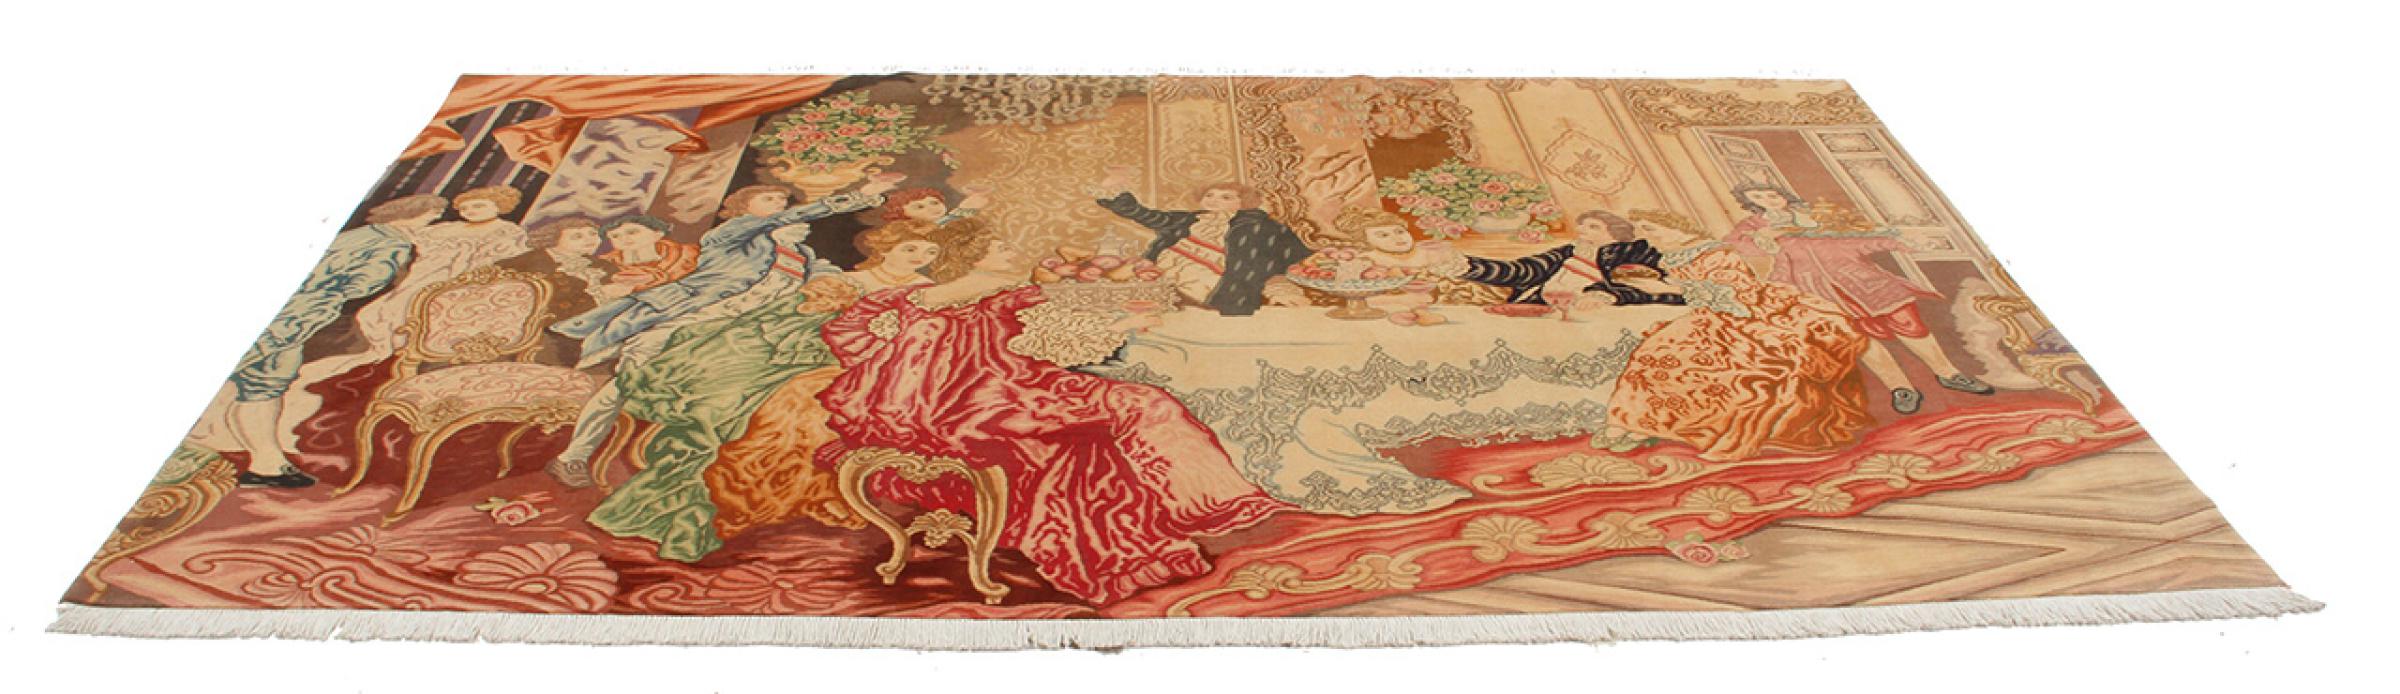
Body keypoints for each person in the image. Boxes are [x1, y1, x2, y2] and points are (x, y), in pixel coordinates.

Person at [815, 225, 1288, 605]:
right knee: (1086, 438)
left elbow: (1055, 322)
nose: (1010, 251)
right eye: (999, 246)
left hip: (1019, 385)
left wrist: (1120, 314)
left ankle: (1197, 506)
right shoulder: (928, 302)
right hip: (968, 407)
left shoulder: (1003, 292)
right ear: (973, 255)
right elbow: (910, 378)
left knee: (1147, 402)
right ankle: (1111, 552)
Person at [584, 220, 952, 561]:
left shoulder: (932, 292)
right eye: (910, 249)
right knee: (781, 405)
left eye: (930, 252)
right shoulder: (847, 282)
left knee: (819, 409)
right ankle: (735, 499)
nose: (919, 257)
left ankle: (824, 493)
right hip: (802, 357)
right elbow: (781, 323)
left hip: (883, 371)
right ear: (885, 247)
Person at [543, 181, 893, 486]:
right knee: (628, 379)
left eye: (782, 201)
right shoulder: (731, 235)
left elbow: (834, 278)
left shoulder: (801, 254)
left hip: (741, 332)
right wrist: (858, 197)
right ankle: (573, 456)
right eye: (769, 199)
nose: (780, 206)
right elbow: (775, 221)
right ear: (743, 208)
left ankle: (694, 471)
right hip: (692, 316)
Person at [1601, 209, 1877, 460]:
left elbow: (1737, 294)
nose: (1645, 237)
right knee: (1654, 352)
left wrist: (1669, 288)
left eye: (1650, 229)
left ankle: (1653, 426)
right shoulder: (1673, 253)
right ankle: (1634, 423)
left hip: (1749, 314)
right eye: (1640, 231)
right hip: (1710, 315)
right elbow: (1693, 289)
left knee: (1722, 363)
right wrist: (1657, 284)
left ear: (1675, 226)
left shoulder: (1717, 253)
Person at [276, 186, 531, 449]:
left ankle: (409, 363)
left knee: (434, 321)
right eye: (465, 208)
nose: (470, 211)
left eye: (479, 206)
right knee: (380, 313)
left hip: (466, 289)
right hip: (422, 281)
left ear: (498, 206)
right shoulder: (444, 229)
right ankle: (383, 354)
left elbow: (505, 263)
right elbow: (410, 237)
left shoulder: (507, 232)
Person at [220, 195, 446, 488]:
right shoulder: (392, 244)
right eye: (431, 214)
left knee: (260, 385)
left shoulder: (356, 235)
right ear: (413, 214)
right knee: (263, 382)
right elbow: (365, 283)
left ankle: (267, 463)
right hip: (300, 315)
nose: (434, 219)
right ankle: (265, 464)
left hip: (293, 310)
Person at [1721, 183, 1993, 414]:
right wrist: (1764, 238)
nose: (1768, 199)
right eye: (1758, 197)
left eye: (1772, 194)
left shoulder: (1819, 215)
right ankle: (1901, 388)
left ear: (1783, 196)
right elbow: (1736, 245)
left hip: (1861, 277)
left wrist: (1896, 243)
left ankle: (1949, 374)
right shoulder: (1754, 225)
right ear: (1750, 203)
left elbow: (1859, 239)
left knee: (1909, 323)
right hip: (1812, 286)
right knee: (1860, 338)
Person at [1093, 174, 1310, 316]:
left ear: (1243, 202)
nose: (1214, 200)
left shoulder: (1255, 225)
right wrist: (1118, 195)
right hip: (1163, 271)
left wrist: (1278, 285)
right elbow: (1148, 216)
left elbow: (1272, 257)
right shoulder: (1190, 219)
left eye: (1225, 197)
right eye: (1210, 195)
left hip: (1213, 279)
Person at [1455, 210, 1688, 307]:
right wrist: (1469, 266)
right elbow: (1524, 270)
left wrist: (1609, 296)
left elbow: (1647, 288)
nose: (1582, 230)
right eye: (1582, 225)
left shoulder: (1636, 253)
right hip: (1545, 311)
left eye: (1593, 227)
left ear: (1616, 233)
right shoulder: (1571, 251)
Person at [495, 216, 617, 366]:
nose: (589, 240)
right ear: (554, 239)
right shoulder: (526, 262)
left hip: (596, 324)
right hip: (546, 331)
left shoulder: (603, 265)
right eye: (577, 236)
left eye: (593, 234)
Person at [591, 216, 700, 296]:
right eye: (615, 236)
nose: (624, 239)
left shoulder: (687, 254)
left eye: (632, 232)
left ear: (658, 233)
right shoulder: (603, 265)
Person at [874, 186, 990, 226]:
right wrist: (963, 210)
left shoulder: (949, 218)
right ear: (901, 214)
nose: (932, 208)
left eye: (935, 203)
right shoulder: (914, 230)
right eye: (919, 207)